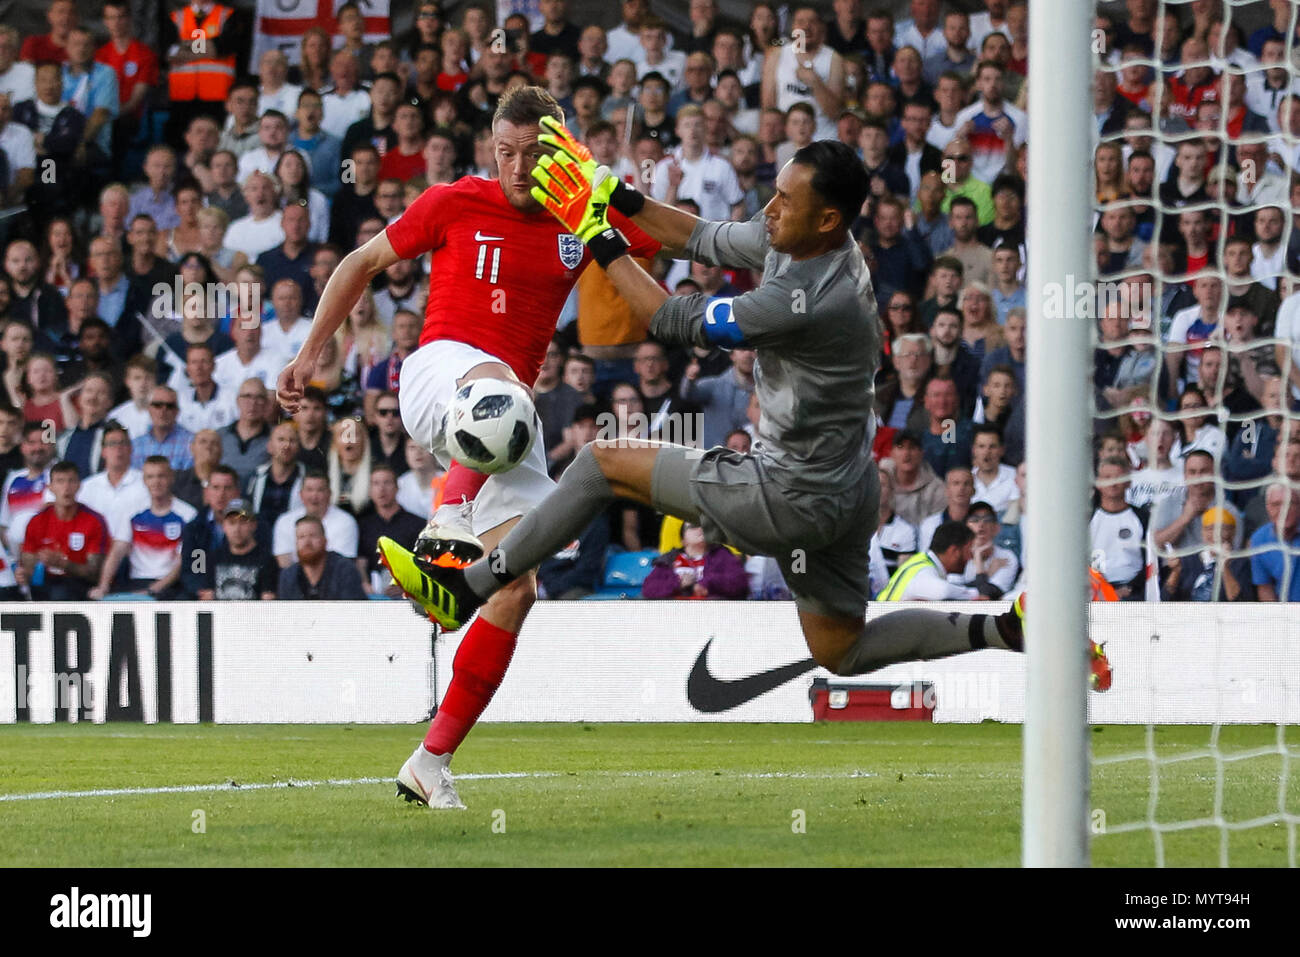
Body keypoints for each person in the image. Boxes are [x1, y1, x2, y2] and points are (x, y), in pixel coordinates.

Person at [378, 129, 1110, 802]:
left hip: (785, 492)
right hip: (849, 489)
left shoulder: (803, 296)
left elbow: (669, 320)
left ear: (827, 219)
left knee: (601, 462)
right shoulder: (807, 240)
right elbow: (700, 234)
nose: (770, 206)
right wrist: (622, 197)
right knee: (842, 647)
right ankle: (1005, 630)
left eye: (785, 199)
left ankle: (469, 586)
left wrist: (597, 233)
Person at [275, 88, 660, 808]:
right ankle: (446, 528)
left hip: (505, 421)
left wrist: (611, 200)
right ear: (490, 147)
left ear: (559, 151)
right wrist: (309, 353)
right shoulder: (453, 200)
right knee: (499, 389)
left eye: (534, 153)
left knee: (517, 583)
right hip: (437, 376)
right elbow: (360, 262)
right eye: (505, 151)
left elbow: (657, 263)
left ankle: (431, 759)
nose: (517, 167)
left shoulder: (578, 216)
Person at [91, 455, 197, 598]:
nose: (156, 482)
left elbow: (183, 562)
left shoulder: (188, 514)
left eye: (161, 476)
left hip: (172, 585)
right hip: (137, 582)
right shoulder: (132, 511)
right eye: (150, 477)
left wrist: (153, 590)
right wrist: (103, 586)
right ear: (144, 480)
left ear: (171, 478)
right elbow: (117, 551)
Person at [20, 461, 107, 600]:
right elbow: (27, 564)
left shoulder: (94, 521)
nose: (66, 487)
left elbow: (94, 574)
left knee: (60, 592)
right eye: (60, 481)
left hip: (80, 586)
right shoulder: (37, 521)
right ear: (50, 487)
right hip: (44, 583)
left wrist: (63, 564)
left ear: (79, 485)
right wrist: (23, 573)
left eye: (71, 481)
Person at [355, 464, 425, 595]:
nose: (381, 489)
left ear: (397, 487)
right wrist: (365, 584)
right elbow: (361, 561)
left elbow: (423, 560)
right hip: (373, 594)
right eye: (376, 483)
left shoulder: (417, 524)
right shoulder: (363, 525)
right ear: (370, 490)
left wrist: (407, 586)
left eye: (387, 483)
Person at [876, 520, 984, 600]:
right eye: (969, 549)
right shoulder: (924, 569)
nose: (971, 556)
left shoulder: (922, 560)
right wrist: (975, 594)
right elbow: (942, 591)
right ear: (954, 551)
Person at [271, 470, 359, 568]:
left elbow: (342, 566)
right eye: (309, 490)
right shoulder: (284, 522)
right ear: (301, 494)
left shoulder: (345, 522)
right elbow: (285, 564)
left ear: (329, 494)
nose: (314, 496)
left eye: (320, 490)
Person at [641, 520, 748, 599]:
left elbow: (740, 583)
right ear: (683, 540)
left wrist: (707, 584)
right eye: (694, 526)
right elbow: (649, 589)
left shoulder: (723, 555)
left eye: (705, 526)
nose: (701, 529)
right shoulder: (669, 559)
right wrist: (679, 583)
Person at [199, 499, 278, 600]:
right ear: (224, 526)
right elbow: (207, 598)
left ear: (253, 525)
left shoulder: (267, 560)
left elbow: (268, 601)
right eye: (232, 523)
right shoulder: (213, 558)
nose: (237, 529)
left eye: (243, 522)